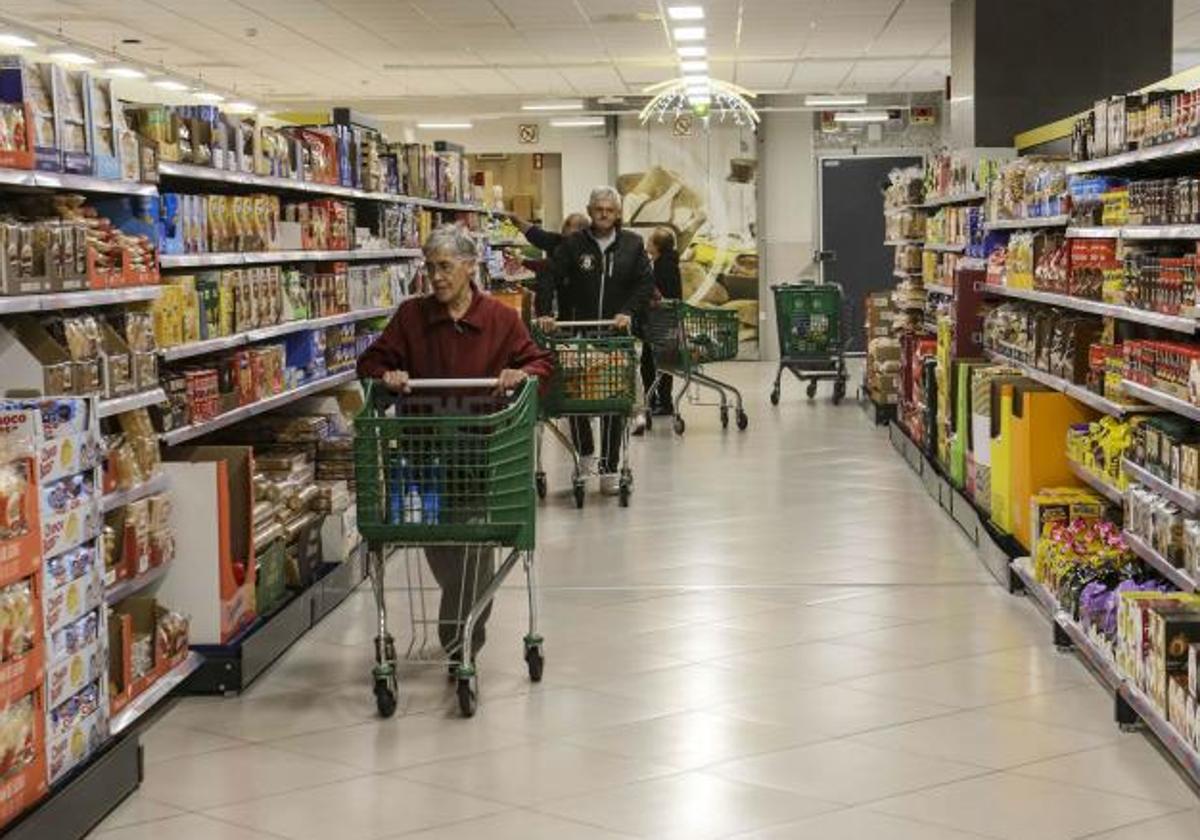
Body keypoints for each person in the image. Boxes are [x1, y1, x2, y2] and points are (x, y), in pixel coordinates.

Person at [356, 225, 553, 669]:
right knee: (443, 548)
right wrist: (388, 376)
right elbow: (370, 362)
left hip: (483, 457)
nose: (436, 277)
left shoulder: (501, 320)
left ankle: (459, 640)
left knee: (472, 554)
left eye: (445, 266)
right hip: (425, 461)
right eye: (430, 267)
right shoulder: (411, 316)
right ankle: (462, 627)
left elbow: (540, 363)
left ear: (470, 267)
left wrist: (520, 376)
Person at [540, 186, 655, 494]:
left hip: (614, 336)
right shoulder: (574, 244)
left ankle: (609, 468)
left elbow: (645, 282)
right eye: (598, 209)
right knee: (575, 399)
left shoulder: (633, 244)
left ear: (618, 213)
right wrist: (545, 312)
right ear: (590, 211)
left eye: (610, 209)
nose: (604, 214)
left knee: (613, 404)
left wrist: (628, 311)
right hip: (579, 334)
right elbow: (548, 275)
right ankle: (586, 454)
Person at [640, 227, 682, 424]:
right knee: (660, 362)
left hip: (661, 323)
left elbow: (665, 295)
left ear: (656, 246)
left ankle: (659, 401)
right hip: (663, 322)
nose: (647, 243)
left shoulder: (664, 266)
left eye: (650, 241)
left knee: (651, 362)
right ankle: (660, 400)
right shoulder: (665, 263)